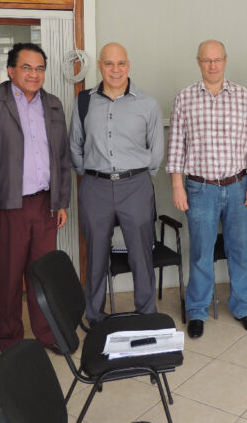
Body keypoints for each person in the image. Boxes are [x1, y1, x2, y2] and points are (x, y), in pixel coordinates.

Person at [0, 43, 71, 353]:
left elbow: (62, 156)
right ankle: (10, 337)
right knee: (9, 275)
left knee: (43, 274)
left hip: (45, 204)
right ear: (11, 70)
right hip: (7, 205)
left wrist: (62, 201)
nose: (34, 74)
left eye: (40, 68)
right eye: (26, 67)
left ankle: (47, 332)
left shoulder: (52, 104)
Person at [167, 40, 247, 339]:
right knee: (201, 252)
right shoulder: (184, 98)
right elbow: (176, 146)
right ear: (199, 62)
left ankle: (243, 307)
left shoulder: (243, 96)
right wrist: (177, 186)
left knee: (238, 250)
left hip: (238, 187)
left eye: (217, 59)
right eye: (207, 60)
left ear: (225, 60)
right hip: (200, 189)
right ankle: (197, 310)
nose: (212, 65)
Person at [69, 42, 163, 323]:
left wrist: (137, 176)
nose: (115, 69)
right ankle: (95, 316)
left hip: (135, 185)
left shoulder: (147, 104)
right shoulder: (84, 101)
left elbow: (156, 151)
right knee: (96, 255)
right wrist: (89, 174)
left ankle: (146, 315)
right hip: (95, 186)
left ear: (128, 66)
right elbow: (75, 144)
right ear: (100, 66)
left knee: (141, 254)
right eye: (109, 63)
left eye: (121, 63)